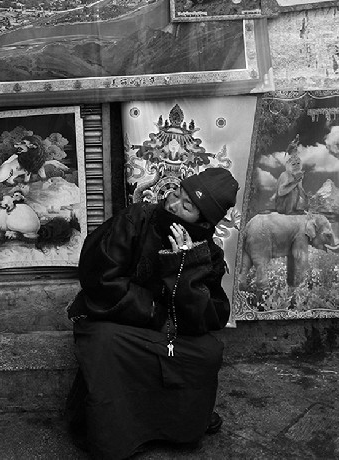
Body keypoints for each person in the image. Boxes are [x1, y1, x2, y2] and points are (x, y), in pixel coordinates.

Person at [65, 167, 240, 459]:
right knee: (103, 342)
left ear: (204, 223)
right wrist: (155, 312)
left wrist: (185, 267)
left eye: (186, 207)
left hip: (169, 331)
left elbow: (210, 318)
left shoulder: (207, 252)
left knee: (207, 352)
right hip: (118, 323)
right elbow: (101, 279)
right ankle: (118, 435)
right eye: (176, 193)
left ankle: (180, 425)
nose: (171, 205)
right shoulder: (135, 220)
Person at [274, 136, 307, 214]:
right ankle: (289, 210)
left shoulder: (298, 174)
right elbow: (281, 192)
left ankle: (293, 209)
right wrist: (294, 182)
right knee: (293, 189)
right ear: (288, 166)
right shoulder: (285, 175)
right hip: (281, 204)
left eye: (298, 164)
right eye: (293, 164)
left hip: (290, 203)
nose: (296, 166)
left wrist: (306, 199)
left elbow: (300, 189)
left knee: (297, 190)